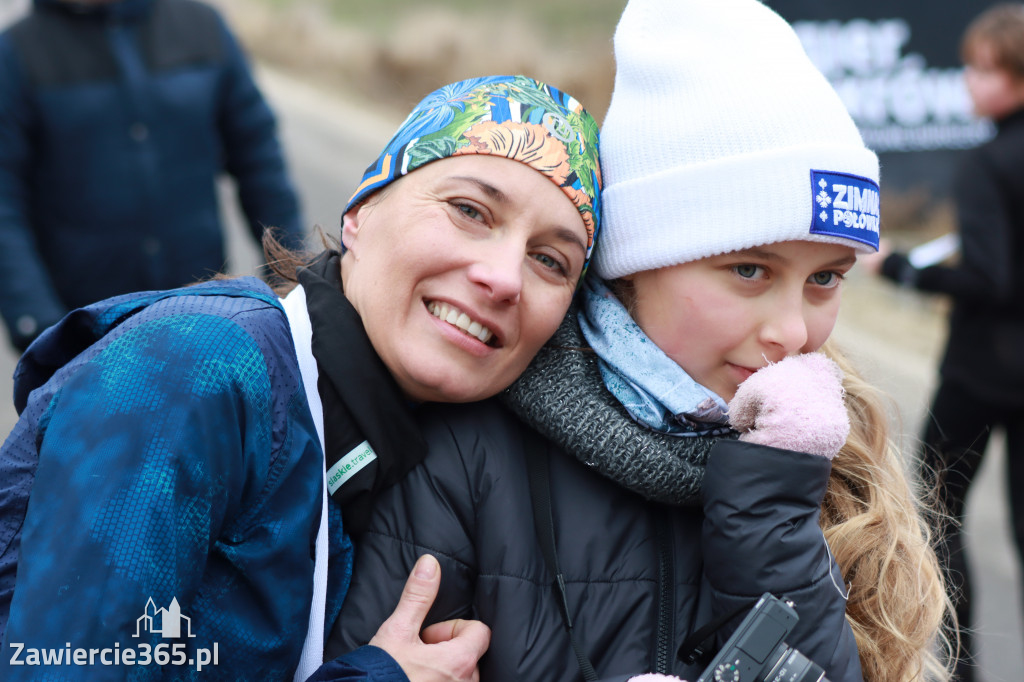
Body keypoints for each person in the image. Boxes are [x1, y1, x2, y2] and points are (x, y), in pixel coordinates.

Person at [327, 2, 951, 681]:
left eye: (825, 279)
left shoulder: (820, 470)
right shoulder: (465, 451)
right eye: (749, 270)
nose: (794, 332)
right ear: (635, 263)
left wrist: (772, 517)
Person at [0, 74, 602, 680]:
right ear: (362, 214)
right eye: (470, 210)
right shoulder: (196, 370)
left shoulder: (385, 447)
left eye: (551, 260)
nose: (504, 278)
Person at [860, 4, 1024, 679]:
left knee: (936, 515)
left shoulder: (988, 162)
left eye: (980, 68)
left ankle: (964, 669)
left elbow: (988, 278)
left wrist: (899, 267)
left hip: (983, 374)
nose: (967, 82)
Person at [0, 0, 306, 353]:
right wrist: (41, 328)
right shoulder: (16, 55)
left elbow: (260, 161)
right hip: (87, 341)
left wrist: (293, 283)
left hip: (204, 321)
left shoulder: (202, 27)